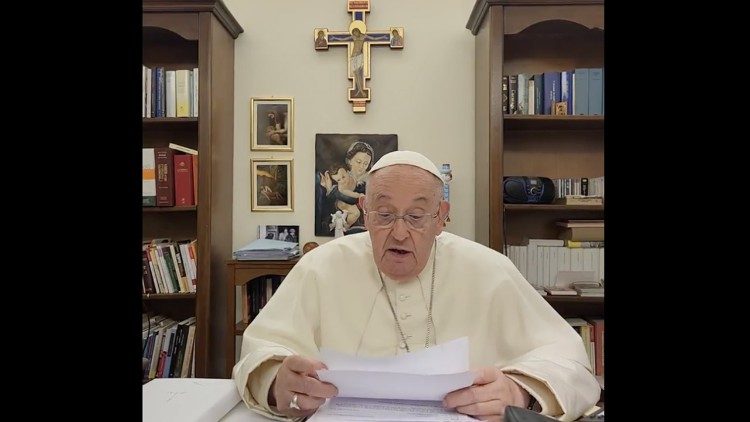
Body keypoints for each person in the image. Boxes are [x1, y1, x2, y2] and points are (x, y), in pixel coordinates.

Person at [233, 150, 600, 421]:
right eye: (385, 213)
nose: (398, 232)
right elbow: (261, 352)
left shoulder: (490, 269)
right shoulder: (320, 266)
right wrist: (277, 383)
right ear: (364, 209)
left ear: (441, 217)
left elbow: (569, 364)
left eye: (415, 215)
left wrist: (519, 391)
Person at [317, 141, 374, 235]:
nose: (361, 167)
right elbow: (336, 198)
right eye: (358, 162)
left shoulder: (368, 179)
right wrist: (330, 190)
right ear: (350, 160)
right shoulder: (341, 175)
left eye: (366, 163)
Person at [327, 162, 364, 227]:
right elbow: (352, 194)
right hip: (342, 202)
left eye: (343, 177)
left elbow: (357, 179)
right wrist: (360, 195)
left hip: (352, 200)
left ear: (347, 172)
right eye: (338, 180)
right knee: (356, 213)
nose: (342, 181)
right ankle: (346, 226)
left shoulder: (352, 175)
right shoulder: (341, 188)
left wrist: (358, 182)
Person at [350, 27, 366, 98]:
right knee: (356, 74)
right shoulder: (354, 38)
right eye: (353, 33)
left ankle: (361, 91)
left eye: (355, 32)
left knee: (358, 74)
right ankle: (359, 90)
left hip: (359, 56)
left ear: (358, 31)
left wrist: (383, 37)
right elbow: (342, 39)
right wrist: (334, 38)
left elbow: (374, 38)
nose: (355, 34)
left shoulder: (363, 37)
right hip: (353, 57)